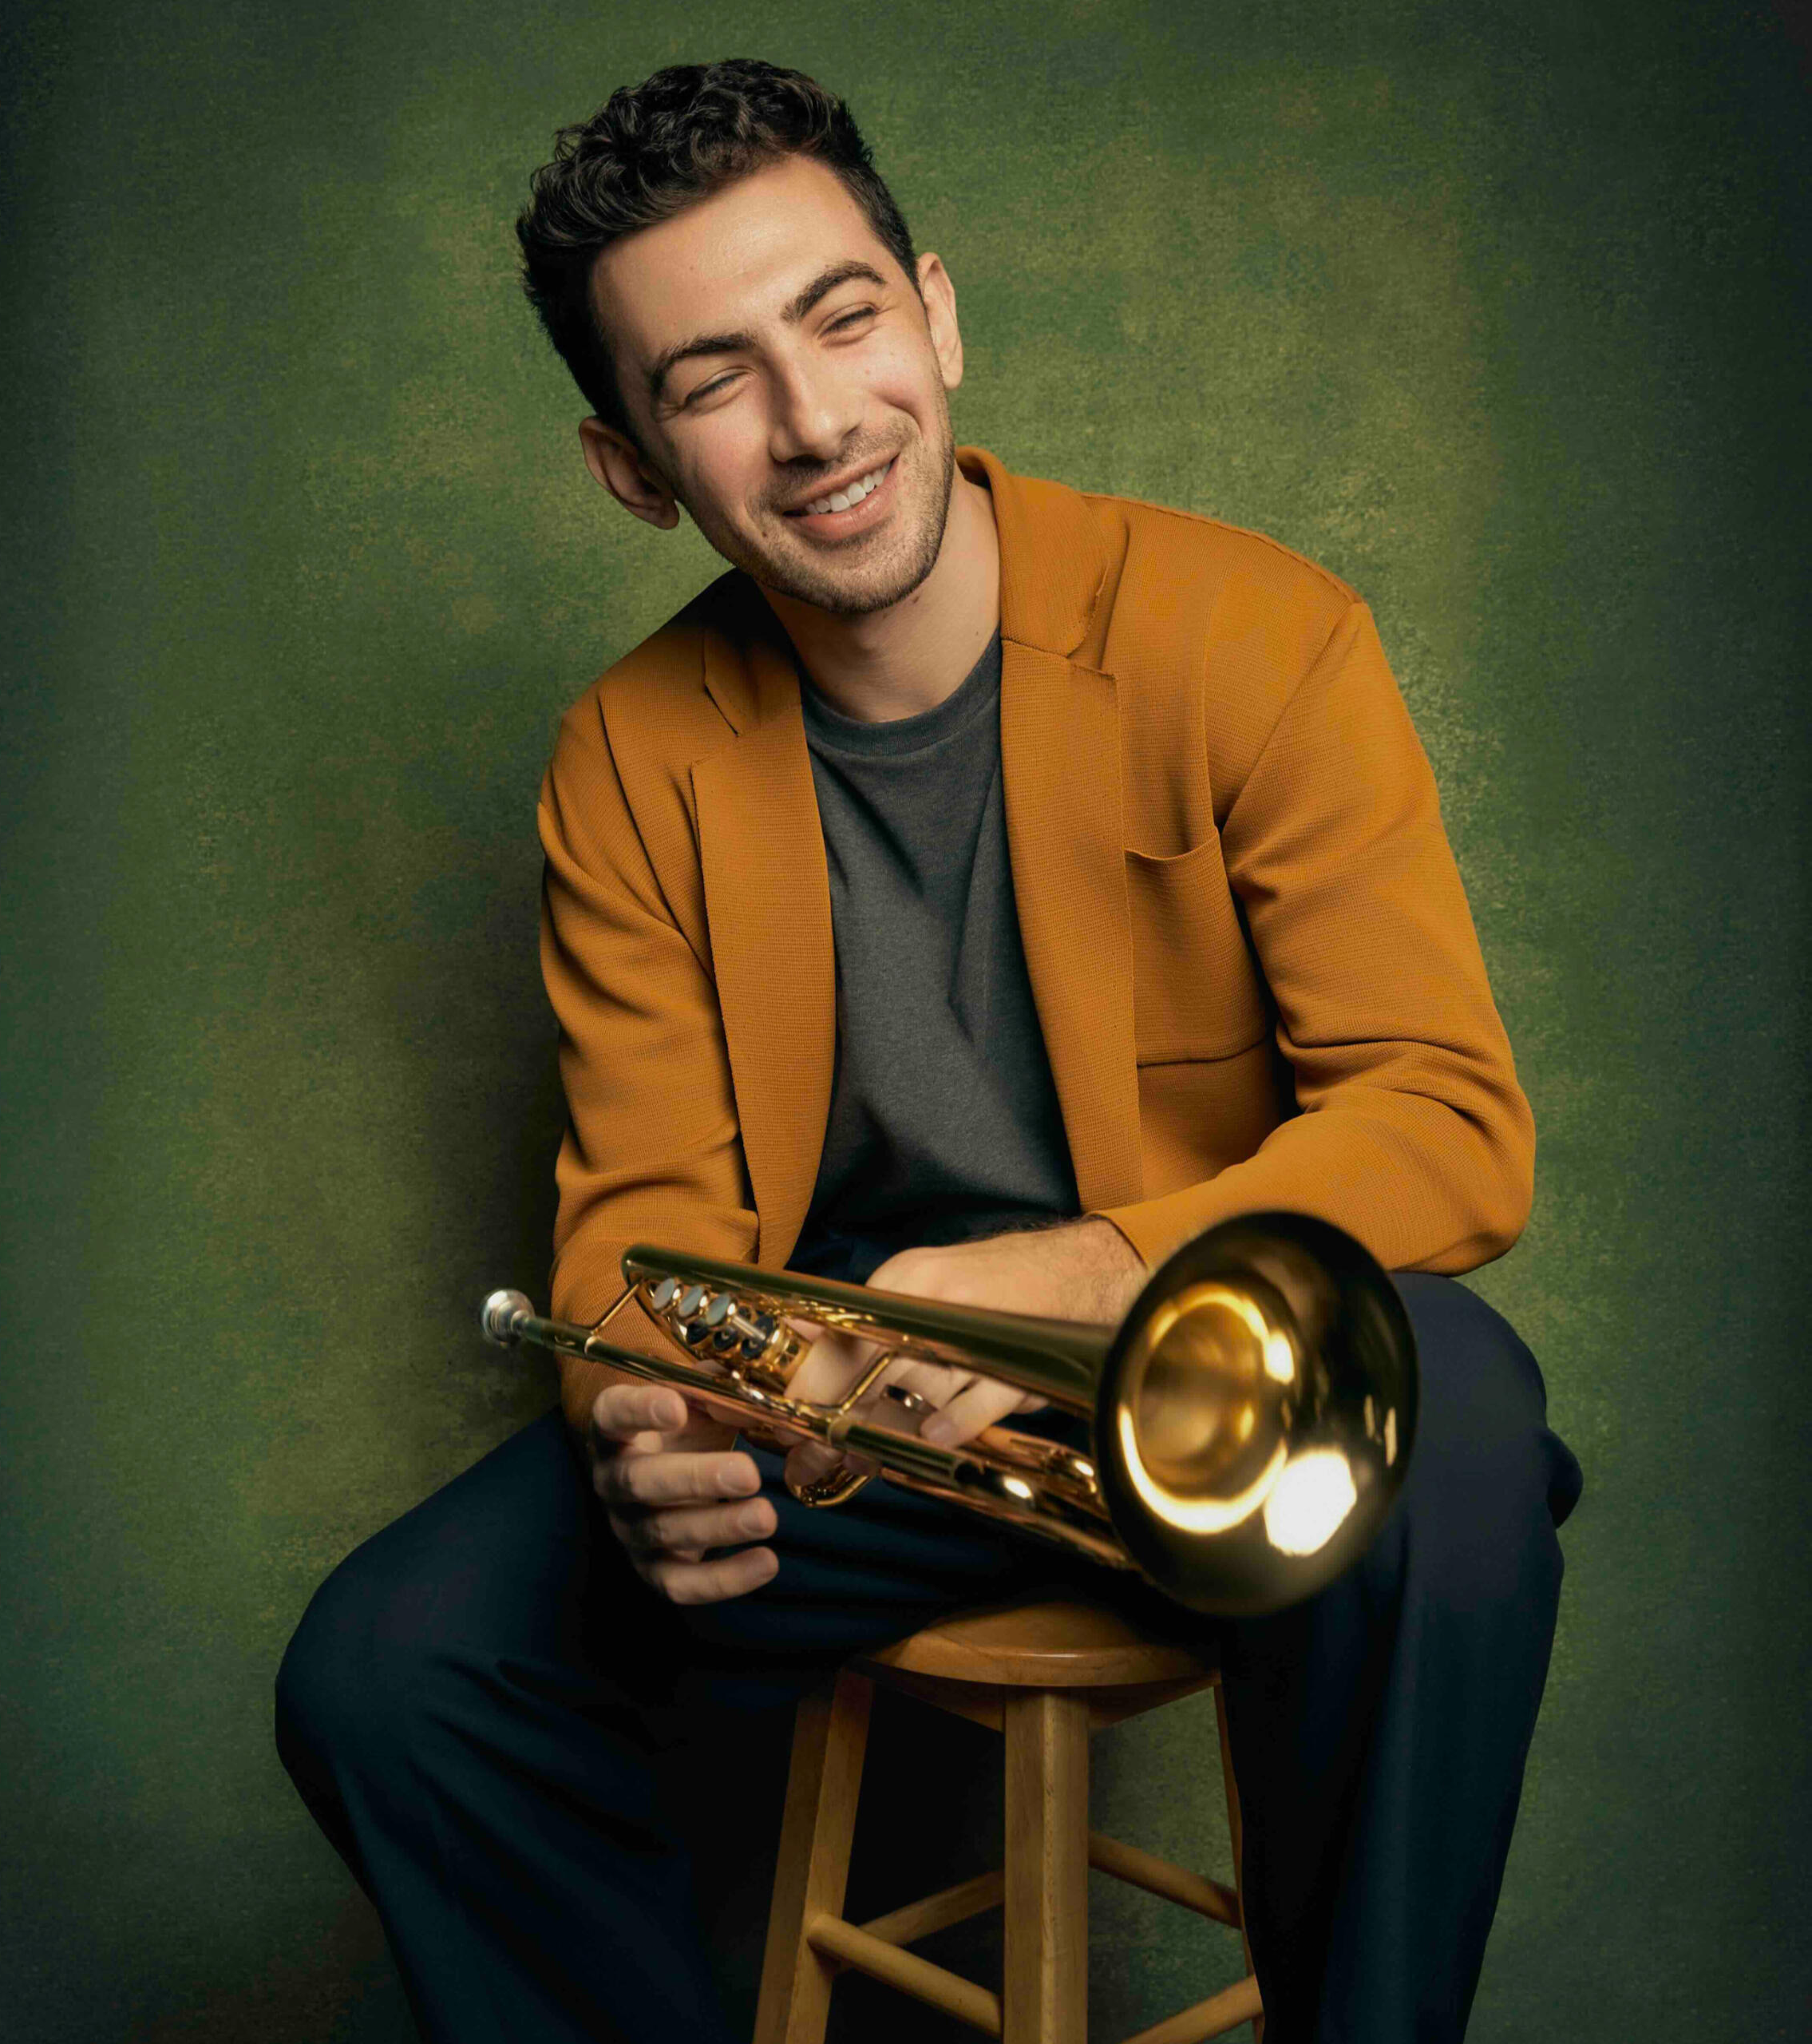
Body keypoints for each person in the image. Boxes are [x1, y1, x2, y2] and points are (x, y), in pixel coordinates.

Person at [275, 57, 1583, 2044]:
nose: (813, 423)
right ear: (633, 465)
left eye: (842, 315)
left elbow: (1444, 1123)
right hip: (856, 1419)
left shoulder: (1255, 633)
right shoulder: (627, 754)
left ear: (937, 312)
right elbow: (640, 1227)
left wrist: (1081, 1269)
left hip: (1200, 1385)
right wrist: (643, 1410)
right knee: (389, 1663)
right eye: (708, 379)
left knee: (1460, 1421)